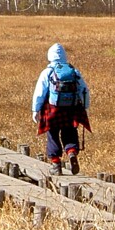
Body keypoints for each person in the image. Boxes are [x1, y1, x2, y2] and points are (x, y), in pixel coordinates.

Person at [31, 43, 91, 176]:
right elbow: (84, 90)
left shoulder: (47, 72)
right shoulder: (73, 71)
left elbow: (39, 93)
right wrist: (85, 107)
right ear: (64, 56)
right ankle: (71, 152)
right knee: (69, 131)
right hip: (71, 109)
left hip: (52, 109)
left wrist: (35, 110)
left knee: (52, 134)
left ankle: (56, 163)